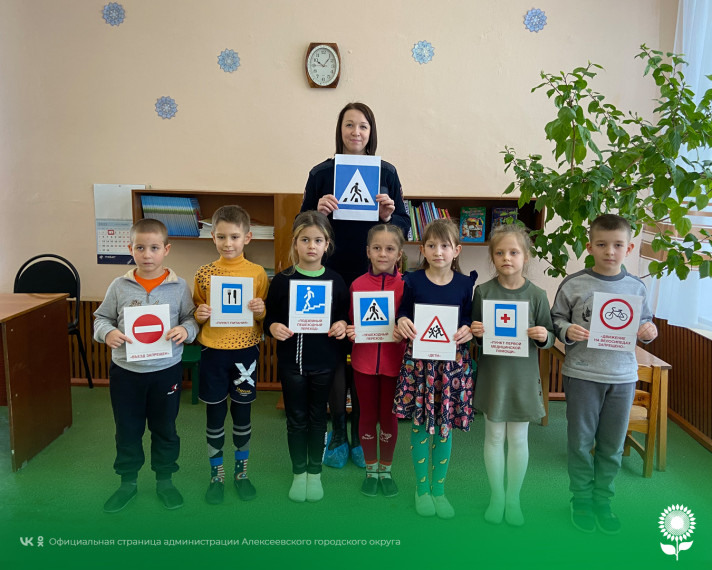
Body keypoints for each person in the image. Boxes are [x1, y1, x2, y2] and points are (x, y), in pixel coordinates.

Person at [300, 102, 410, 469]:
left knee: (367, 351)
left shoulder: (386, 172)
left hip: (372, 281)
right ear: (340, 130)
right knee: (335, 355)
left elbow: (404, 229)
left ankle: (363, 436)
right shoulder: (321, 172)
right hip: (329, 277)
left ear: (371, 132)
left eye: (363, 126)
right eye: (349, 125)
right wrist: (318, 211)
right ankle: (337, 432)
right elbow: (303, 225)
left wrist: (389, 216)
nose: (356, 133)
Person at [550, 213, 658, 534]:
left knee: (611, 444)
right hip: (582, 374)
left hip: (622, 376)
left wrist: (649, 332)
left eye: (617, 245)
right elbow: (556, 320)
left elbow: (646, 325)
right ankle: (580, 499)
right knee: (581, 441)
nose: (609, 251)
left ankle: (603, 500)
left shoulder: (637, 287)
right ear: (589, 246)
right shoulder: (574, 284)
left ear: (629, 248)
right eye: (602, 244)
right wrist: (569, 329)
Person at [94, 218, 198, 513]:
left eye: (154, 248)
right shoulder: (119, 286)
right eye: (140, 247)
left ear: (166, 249)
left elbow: (191, 319)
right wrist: (108, 333)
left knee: (165, 427)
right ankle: (127, 483)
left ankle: (165, 481)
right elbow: (101, 319)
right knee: (127, 428)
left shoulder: (178, 287)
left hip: (166, 371)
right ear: (131, 249)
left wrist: (186, 331)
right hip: (126, 373)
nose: (147, 254)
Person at [470, 224, 555, 526]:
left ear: (526, 257)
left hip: (521, 378)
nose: (507, 258)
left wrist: (543, 335)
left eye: (514, 252)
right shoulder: (483, 292)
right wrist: (476, 334)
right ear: (492, 257)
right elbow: (474, 336)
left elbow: (551, 337)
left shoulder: (537, 294)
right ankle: (496, 496)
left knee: (518, 438)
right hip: (494, 376)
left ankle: (513, 499)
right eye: (500, 252)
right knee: (493, 436)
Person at [394, 218, 476, 519]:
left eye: (445, 246)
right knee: (419, 425)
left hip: (451, 368)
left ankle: (439, 491)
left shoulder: (466, 284)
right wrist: (401, 320)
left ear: (457, 249)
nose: (438, 251)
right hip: (419, 365)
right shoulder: (412, 281)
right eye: (431, 245)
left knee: (443, 426)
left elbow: (469, 317)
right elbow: (404, 311)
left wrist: (468, 328)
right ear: (422, 249)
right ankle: (421, 489)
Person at [264, 211, 349, 502]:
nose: (311, 246)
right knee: (295, 419)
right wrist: (272, 326)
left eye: (318, 240)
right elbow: (270, 318)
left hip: (324, 364)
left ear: (327, 244)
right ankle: (299, 473)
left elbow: (342, 317)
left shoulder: (337, 281)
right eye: (305, 240)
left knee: (317, 419)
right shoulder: (282, 281)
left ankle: (315, 474)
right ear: (295, 243)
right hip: (291, 364)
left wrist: (340, 325)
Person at [192, 205, 269, 505]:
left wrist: (262, 312)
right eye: (221, 237)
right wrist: (199, 314)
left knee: (242, 413)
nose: (228, 243)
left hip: (245, 353)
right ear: (212, 237)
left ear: (247, 237)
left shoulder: (257, 274)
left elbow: (264, 317)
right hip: (212, 352)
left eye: (235, 236)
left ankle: (241, 473)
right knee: (214, 415)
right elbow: (195, 314)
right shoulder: (204, 273)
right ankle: (216, 474)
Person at [345, 224, 408, 498]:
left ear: (399, 254)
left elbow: (413, 323)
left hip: (396, 364)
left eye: (390, 248)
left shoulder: (407, 285)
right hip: (364, 364)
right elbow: (351, 321)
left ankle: (386, 469)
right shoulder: (357, 284)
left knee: (389, 417)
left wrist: (404, 331)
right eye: (377, 248)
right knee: (367, 417)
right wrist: (350, 330)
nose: (383, 253)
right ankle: (371, 471)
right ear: (367, 251)